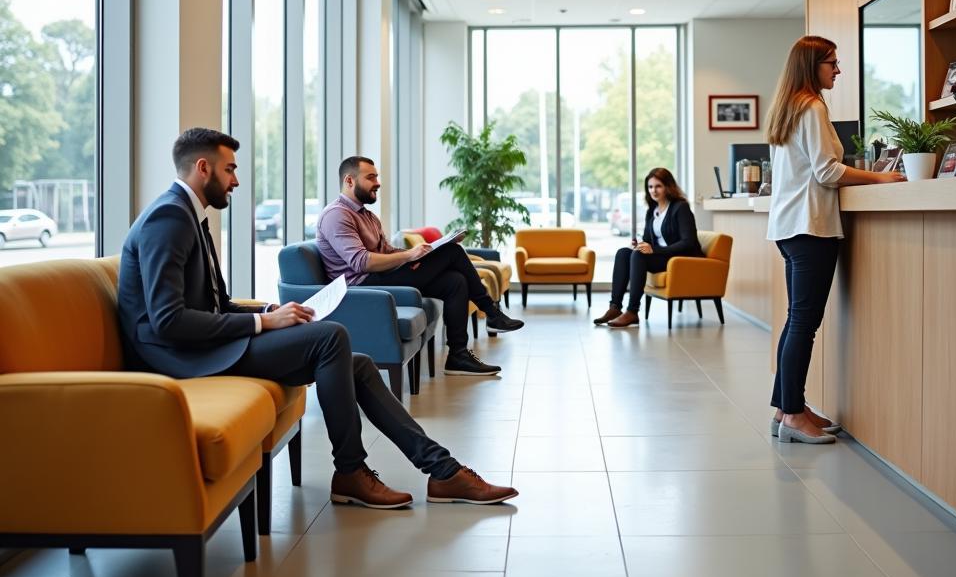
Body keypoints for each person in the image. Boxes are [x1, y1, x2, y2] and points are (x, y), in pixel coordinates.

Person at [118, 128, 518, 508]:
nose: (236, 181)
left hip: (203, 345)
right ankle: (351, 471)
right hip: (181, 358)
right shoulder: (169, 218)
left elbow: (215, 304)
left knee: (357, 363)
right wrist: (262, 324)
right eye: (230, 169)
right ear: (202, 168)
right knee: (331, 338)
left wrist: (269, 311)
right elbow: (169, 322)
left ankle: (440, 470)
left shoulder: (188, 217)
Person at [765, 36, 904, 444]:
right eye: (832, 63)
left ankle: (786, 407)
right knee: (803, 324)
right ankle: (792, 415)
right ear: (813, 67)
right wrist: (880, 176)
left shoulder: (788, 108)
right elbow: (827, 171)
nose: (838, 70)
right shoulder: (811, 106)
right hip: (810, 228)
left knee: (796, 322)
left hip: (791, 228)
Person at [317, 156, 523, 377]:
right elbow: (361, 262)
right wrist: (409, 255)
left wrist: (425, 252)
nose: (377, 182)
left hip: (382, 277)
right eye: (371, 177)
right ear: (349, 181)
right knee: (453, 252)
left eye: (377, 177)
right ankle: (491, 311)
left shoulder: (368, 216)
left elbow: (386, 252)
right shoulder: (336, 215)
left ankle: (458, 356)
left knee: (455, 282)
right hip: (362, 288)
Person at [594, 168, 703, 328]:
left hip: (680, 258)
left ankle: (632, 311)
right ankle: (615, 307)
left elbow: (688, 242)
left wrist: (654, 250)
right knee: (624, 253)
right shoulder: (652, 211)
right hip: (663, 257)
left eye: (658, 186)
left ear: (668, 186)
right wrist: (639, 245)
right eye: (650, 187)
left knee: (638, 256)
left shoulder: (680, 208)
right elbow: (647, 240)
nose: (653, 190)